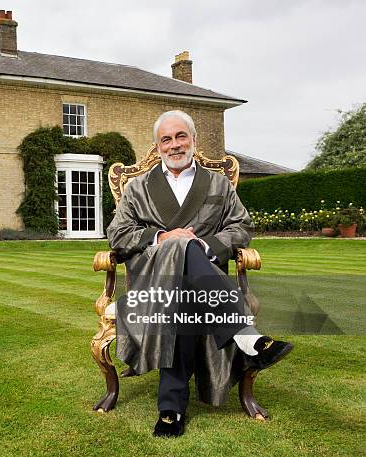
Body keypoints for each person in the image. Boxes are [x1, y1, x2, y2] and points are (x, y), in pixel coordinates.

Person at [106, 110, 293, 438]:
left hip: (200, 283)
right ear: (157, 146)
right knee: (178, 246)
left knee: (186, 265)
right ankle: (247, 337)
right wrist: (161, 237)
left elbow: (241, 227)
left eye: (181, 136)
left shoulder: (218, 184)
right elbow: (117, 234)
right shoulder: (138, 188)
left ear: (193, 140)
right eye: (166, 139)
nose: (174, 145)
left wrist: (205, 246)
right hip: (154, 279)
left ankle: (171, 408)